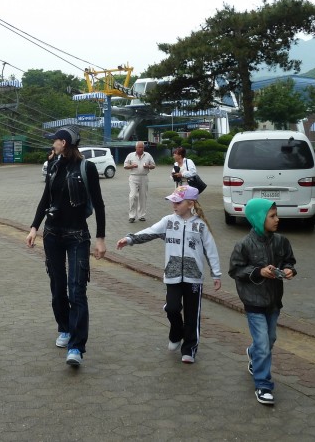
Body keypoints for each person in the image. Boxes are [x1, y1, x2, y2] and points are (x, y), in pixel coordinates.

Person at [26, 126, 107, 367]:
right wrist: (33, 228)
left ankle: (76, 347)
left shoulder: (87, 168)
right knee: (58, 286)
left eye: (55, 141)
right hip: (52, 235)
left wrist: (101, 238)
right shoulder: (53, 165)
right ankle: (64, 327)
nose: (52, 144)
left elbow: (100, 204)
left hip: (77, 236)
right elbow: (45, 198)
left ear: (64, 142)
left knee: (77, 290)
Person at [116, 185, 221, 363]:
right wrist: (130, 239)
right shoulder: (168, 222)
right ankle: (176, 332)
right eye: (172, 202)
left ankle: (189, 348)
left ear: (190, 203)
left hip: (194, 278)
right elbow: (150, 232)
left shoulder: (200, 226)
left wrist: (216, 274)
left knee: (192, 314)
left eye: (178, 202)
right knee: (172, 308)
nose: (174, 205)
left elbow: (211, 251)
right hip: (172, 275)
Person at [228, 198, 297, 406]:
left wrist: (288, 270)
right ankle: (263, 385)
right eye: (272, 216)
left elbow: (289, 260)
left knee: (270, 339)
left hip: (274, 301)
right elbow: (235, 270)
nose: (277, 219)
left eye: (277, 215)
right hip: (254, 302)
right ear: (259, 219)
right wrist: (258, 271)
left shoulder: (281, 241)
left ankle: (253, 353)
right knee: (263, 344)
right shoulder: (243, 245)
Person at [123, 141, 156, 223]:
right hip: (133, 177)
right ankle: (132, 216)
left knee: (143, 197)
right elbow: (125, 166)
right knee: (133, 196)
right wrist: (132, 166)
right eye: (139, 147)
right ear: (136, 148)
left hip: (144, 177)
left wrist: (148, 166)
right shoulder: (130, 155)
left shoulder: (148, 155)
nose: (141, 149)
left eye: (142, 147)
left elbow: (153, 165)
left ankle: (141, 215)